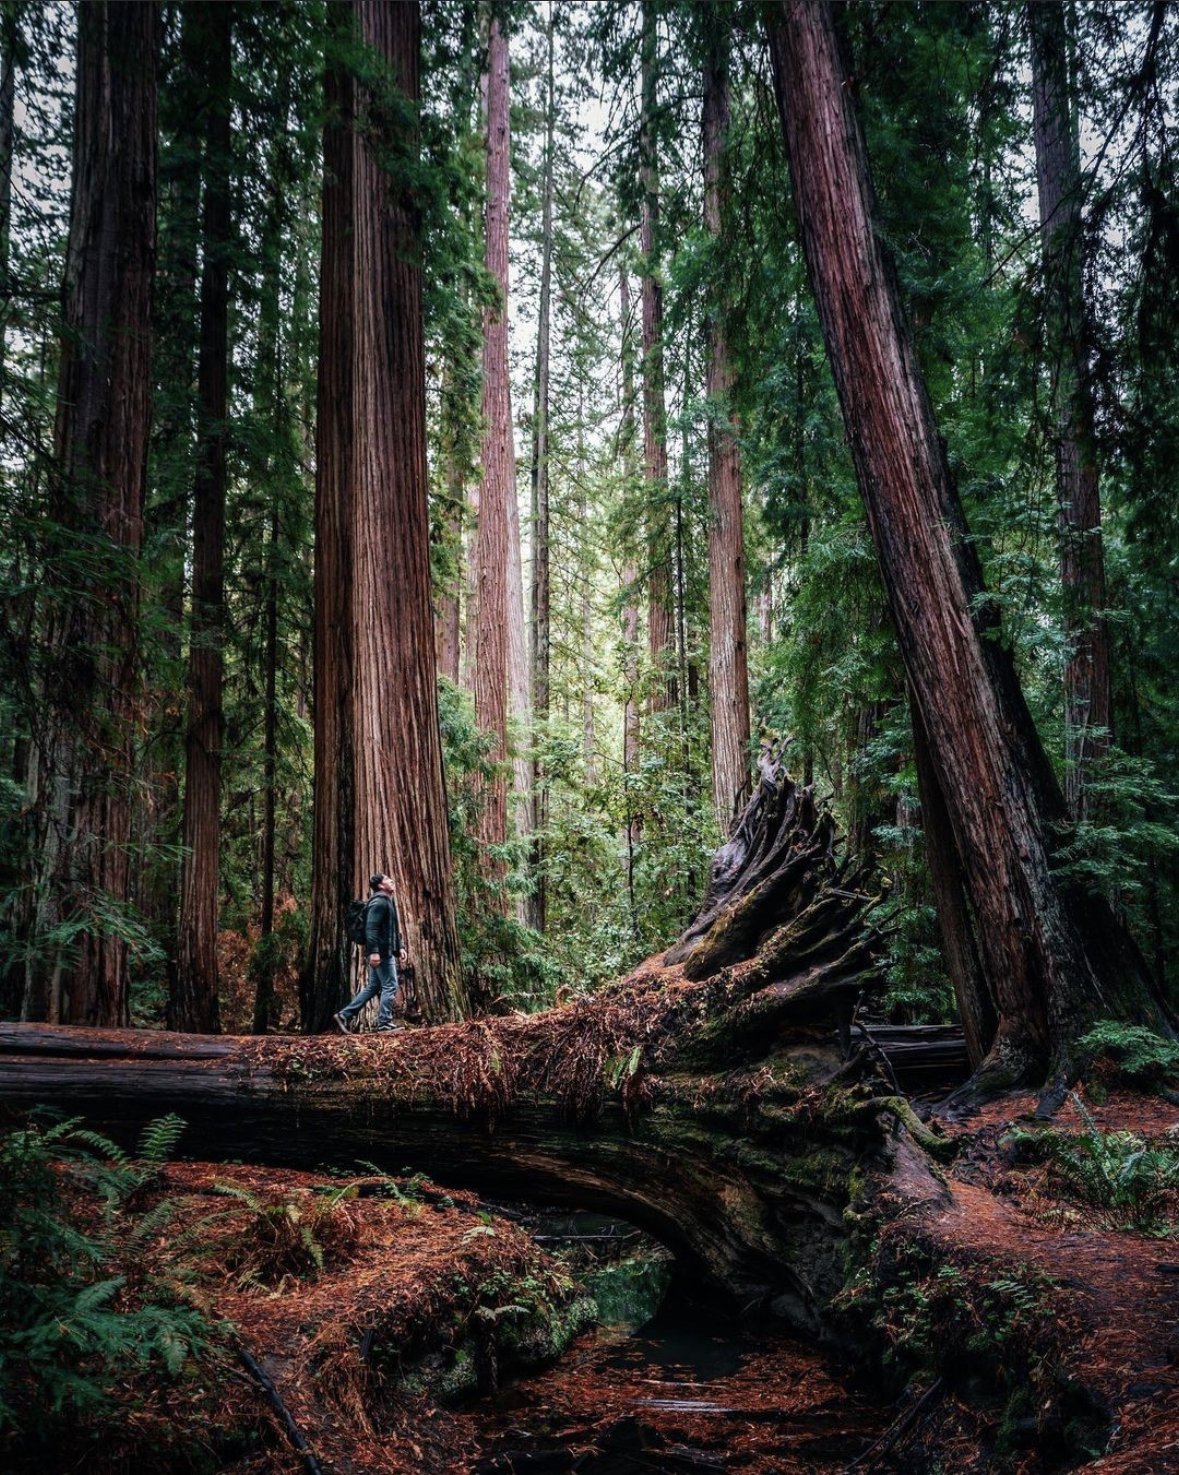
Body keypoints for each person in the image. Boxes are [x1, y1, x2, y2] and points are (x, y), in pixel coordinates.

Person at [334, 873, 407, 1035]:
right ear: (381, 886)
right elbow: (371, 929)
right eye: (388, 880)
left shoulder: (387, 901)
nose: (392, 881)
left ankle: (344, 1015)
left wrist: (399, 947)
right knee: (390, 986)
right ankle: (385, 1024)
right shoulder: (379, 902)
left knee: (373, 987)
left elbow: (390, 929)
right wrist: (374, 952)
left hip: (383, 951)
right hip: (381, 953)